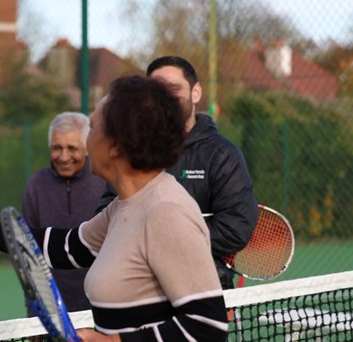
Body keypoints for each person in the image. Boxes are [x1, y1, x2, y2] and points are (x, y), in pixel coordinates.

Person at [0, 75, 244, 342]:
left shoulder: (165, 210)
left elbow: (207, 323)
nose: (85, 137)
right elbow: (71, 247)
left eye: (92, 127)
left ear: (115, 145)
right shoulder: (125, 204)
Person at [96, 56, 258, 290]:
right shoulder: (131, 152)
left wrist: (165, 242)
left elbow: (236, 228)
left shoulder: (223, 154)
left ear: (196, 93)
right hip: (139, 290)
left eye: (173, 89)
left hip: (202, 288)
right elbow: (106, 212)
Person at [23, 111, 106, 342]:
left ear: (86, 148)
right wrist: (34, 313)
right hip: (58, 323)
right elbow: (28, 255)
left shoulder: (104, 183)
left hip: (104, 321)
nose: (64, 156)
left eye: (72, 148)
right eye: (57, 148)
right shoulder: (36, 186)